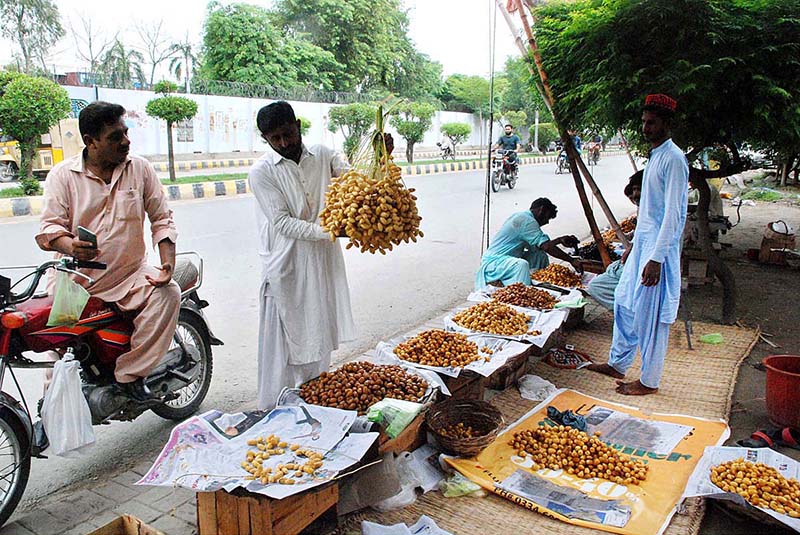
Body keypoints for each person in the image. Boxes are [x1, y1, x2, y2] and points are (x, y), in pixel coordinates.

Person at [36, 101, 180, 402]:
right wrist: (68, 245)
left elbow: (161, 218)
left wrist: (167, 264)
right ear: (91, 142)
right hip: (78, 280)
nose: (126, 142)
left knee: (169, 294)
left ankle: (130, 375)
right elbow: (49, 229)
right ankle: (53, 409)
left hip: (131, 275)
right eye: (116, 137)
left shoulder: (139, 169)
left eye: (125, 133)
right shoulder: (63, 176)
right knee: (58, 344)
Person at [248, 101, 356, 410]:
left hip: (320, 261)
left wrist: (380, 156)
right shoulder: (262, 172)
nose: (283, 143)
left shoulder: (323, 155)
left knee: (317, 330)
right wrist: (331, 232)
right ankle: (275, 411)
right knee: (281, 343)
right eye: (274, 139)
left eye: (287, 134)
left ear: (297, 125)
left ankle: (315, 401)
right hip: (285, 264)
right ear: (266, 139)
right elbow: (282, 223)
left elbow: (353, 180)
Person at [587, 93, 689, 396]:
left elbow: (673, 213)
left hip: (659, 249)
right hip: (643, 246)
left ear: (666, 124)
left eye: (652, 123)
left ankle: (649, 380)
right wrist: (634, 246)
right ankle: (618, 363)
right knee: (623, 301)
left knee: (650, 315)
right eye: (644, 122)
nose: (646, 128)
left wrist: (656, 258)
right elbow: (649, 210)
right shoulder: (656, 155)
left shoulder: (673, 159)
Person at [475, 198, 582, 289]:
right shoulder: (527, 221)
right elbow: (546, 246)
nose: (547, 222)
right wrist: (572, 260)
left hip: (506, 261)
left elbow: (541, 247)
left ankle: (541, 283)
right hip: (494, 263)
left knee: (539, 256)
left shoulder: (523, 217)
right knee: (521, 265)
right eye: (547, 217)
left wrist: (559, 240)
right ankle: (524, 292)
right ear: (541, 210)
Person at [585, 171, 643, 309]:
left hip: (639, 268)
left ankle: (629, 309)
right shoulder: (644, 210)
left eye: (638, 189)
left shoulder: (656, 213)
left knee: (597, 286)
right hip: (632, 264)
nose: (635, 195)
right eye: (634, 190)